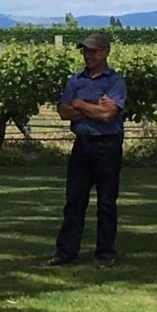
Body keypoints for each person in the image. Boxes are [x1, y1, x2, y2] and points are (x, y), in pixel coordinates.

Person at [43, 32, 127, 270]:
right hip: (82, 145)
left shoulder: (115, 82)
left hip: (108, 145)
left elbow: (108, 114)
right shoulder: (75, 80)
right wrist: (90, 107)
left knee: (106, 202)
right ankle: (66, 252)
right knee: (74, 201)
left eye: (92, 51)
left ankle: (106, 253)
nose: (87, 55)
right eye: (85, 51)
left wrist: (79, 104)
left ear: (105, 52)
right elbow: (63, 112)